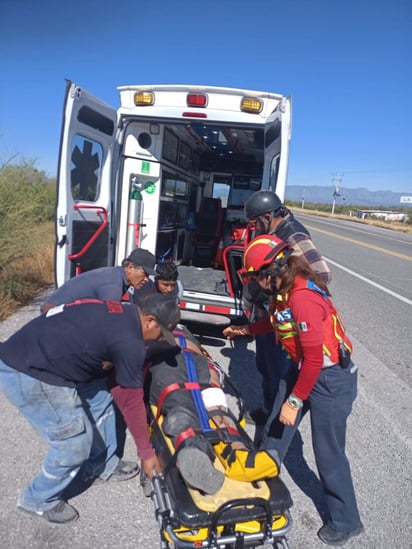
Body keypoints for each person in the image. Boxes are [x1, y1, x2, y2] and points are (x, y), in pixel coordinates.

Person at [223, 235, 363, 546]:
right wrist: (245, 329)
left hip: (329, 379)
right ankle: (263, 470)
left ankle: (346, 520)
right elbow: (277, 324)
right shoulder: (284, 291)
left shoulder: (302, 298)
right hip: (305, 369)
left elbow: (315, 358)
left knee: (328, 452)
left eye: (256, 279)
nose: (256, 285)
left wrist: (296, 400)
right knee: (276, 425)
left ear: (270, 273)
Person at [0, 294, 180, 525]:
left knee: (101, 400)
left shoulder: (123, 313)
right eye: (160, 335)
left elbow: (118, 384)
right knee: (74, 443)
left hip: (45, 353)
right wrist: (146, 452)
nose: (157, 340)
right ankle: (37, 500)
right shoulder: (129, 341)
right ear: (150, 321)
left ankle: (99, 466)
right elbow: (131, 400)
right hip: (28, 370)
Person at [145, 327, 279, 495]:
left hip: (176, 365)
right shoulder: (169, 328)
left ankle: (207, 451)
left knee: (188, 405)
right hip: (185, 364)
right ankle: (231, 455)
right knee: (207, 405)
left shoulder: (147, 326)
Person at [243, 190, 331, 422]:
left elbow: (321, 273)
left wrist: (283, 293)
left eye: (254, 222)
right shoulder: (273, 231)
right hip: (268, 316)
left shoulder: (293, 236)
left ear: (267, 217)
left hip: (283, 322)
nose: (253, 228)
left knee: (277, 371)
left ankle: (276, 418)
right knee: (264, 366)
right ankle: (267, 409)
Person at [41, 247, 156, 313]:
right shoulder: (113, 286)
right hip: (54, 312)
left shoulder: (115, 274)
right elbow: (109, 319)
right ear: (130, 267)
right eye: (144, 273)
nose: (146, 279)